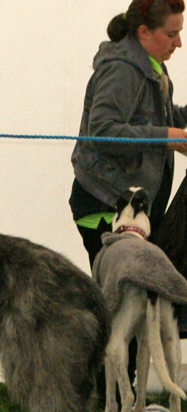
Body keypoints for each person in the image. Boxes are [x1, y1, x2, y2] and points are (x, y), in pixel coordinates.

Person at [70, 0, 187, 268]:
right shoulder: (121, 69)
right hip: (105, 206)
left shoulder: (154, 66)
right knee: (122, 293)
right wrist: (168, 136)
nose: (179, 42)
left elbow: (161, 119)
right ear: (143, 32)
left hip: (133, 207)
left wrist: (173, 128)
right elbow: (101, 130)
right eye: (171, 34)